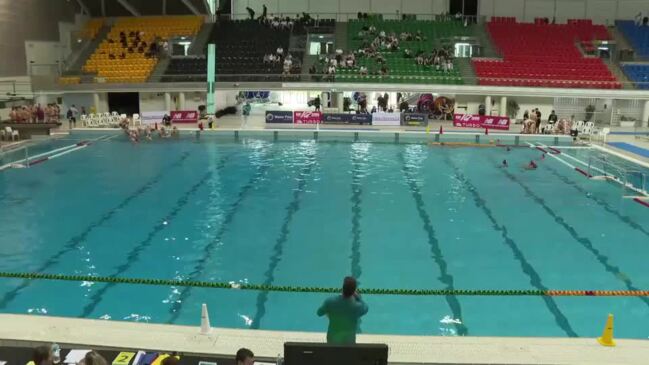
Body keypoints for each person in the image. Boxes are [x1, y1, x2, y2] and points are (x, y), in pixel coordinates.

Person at [317, 276, 369, 344]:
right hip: (349, 344)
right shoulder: (357, 307)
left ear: (342, 288)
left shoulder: (330, 301)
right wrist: (359, 298)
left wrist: (329, 313)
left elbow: (319, 313)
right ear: (354, 291)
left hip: (332, 343)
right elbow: (366, 307)